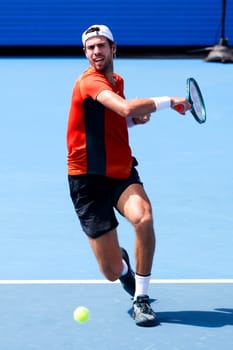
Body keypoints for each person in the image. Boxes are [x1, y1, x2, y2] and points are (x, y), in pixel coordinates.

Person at [66, 24, 190, 327]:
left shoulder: (116, 80)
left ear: (113, 48)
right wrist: (168, 101)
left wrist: (133, 121)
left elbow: (113, 118)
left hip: (120, 170)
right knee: (110, 270)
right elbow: (121, 108)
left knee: (144, 218)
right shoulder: (89, 82)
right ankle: (123, 270)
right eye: (91, 47)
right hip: (87, 179)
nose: (96, 52)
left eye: (101, 45)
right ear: (85, 53)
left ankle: (141, 298)